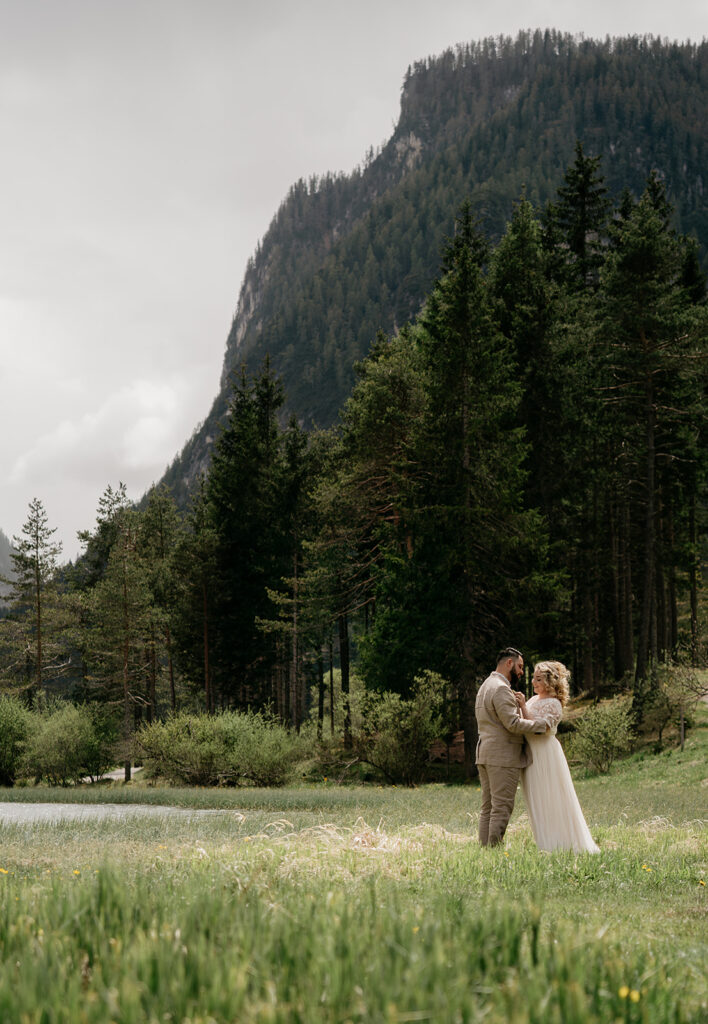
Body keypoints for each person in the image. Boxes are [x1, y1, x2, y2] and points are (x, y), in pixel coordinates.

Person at [516, 660, 600, 854]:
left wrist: (522, 706)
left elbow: (539, 727)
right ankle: (544, 842)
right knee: (536, 798)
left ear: (549, 682)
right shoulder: (533, 700)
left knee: (551, 797)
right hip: (531, 754)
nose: (533, 682)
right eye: (533, 678)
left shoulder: (554, 704)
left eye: (538, 679)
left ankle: (559, 843)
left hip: (546, 754)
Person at [475, 647, 549, 846]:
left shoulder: (485, 685)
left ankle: (484, 851)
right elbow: (513, 724)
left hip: (485, 753)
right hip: (502, 756)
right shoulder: (501, 688)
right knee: (502, 807)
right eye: (520, 666)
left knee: (488, 808)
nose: (522, 672)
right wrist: (541, 725)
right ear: (509, 663)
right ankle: (493, 850)